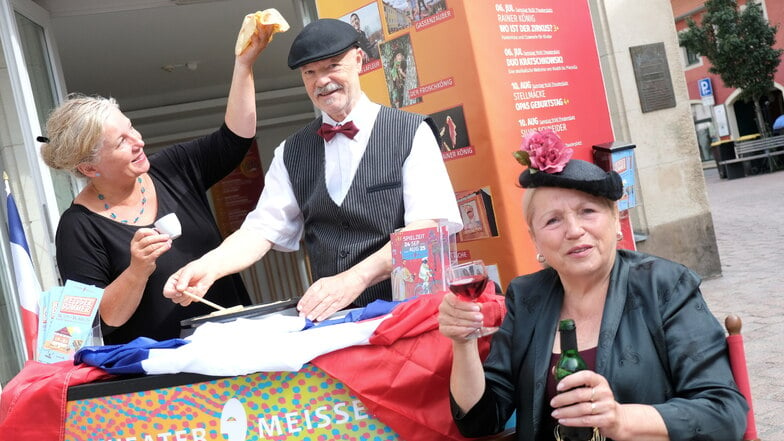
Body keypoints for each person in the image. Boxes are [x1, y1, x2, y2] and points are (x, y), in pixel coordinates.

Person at [438, 130, 748, 440]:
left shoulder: (663, 286)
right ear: (535, 240)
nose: (574, 230)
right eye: (553, 220)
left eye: (588, 211)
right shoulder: (527, 296)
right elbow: (480, 422)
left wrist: (621, 419)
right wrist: (462, 342)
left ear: (615, 219)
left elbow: (724, 413)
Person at [164, 19, 461, 322]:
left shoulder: (411, 132)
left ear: (358, 60)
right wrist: (208, 266)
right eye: (310, 72)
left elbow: (425, 230)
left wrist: (354, 279)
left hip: (411, 316)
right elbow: (261, 229)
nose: (322, 81)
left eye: (333, 66)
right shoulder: (290, 152)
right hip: (335, 325)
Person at [39, 21, 273, 345]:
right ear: (90, 168)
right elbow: (102, 322)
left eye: (132, 128)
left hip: (238, 346)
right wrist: (137, 270)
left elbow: (235, 140)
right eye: (122, 141)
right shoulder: (77, 228)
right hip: (163, 382)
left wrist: (244, 64)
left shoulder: (172, 167)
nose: (139, 141)